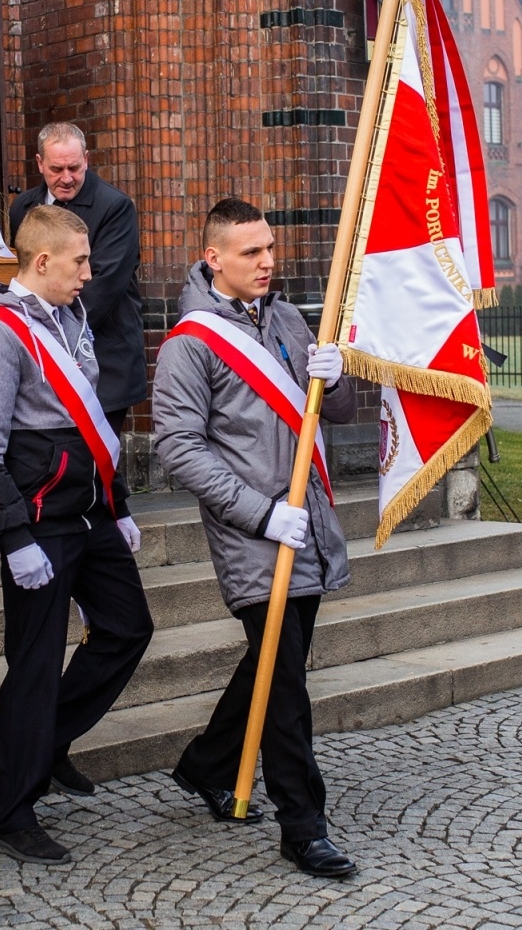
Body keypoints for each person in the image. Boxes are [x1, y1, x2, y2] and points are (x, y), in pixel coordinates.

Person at [150, 196, 360, 879]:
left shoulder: (293, 320)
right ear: (214, 259)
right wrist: (262, 514)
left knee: (272, 665)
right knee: (288, 684)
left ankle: (206, 763)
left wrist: (339, 376)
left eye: (270, 248)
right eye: (251, 252)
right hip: (252, 532)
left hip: (308, 522)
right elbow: (178, 449)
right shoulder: (189, 343)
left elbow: (339, 412)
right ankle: (304, 825)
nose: (269, 261)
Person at [0, 203, 154, 865]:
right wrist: (14, 538)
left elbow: (94, 423)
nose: (89, 275)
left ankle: (49, 741)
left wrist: (119, 502)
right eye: (79, 262)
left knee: (128, 628)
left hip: (90, 510)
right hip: (38, 520)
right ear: (42, 262)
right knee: (34, 669)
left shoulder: (69, 316)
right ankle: (10, 812)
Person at [6, 123, 145, 435]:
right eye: (56, 169)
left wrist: (43, 333)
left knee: (97, 461)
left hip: (103, 355)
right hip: (41, 355)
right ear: (40, 163)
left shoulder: (114, 207)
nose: (66, 178)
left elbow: (102, 287)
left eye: (74, 167)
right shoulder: (23, 209)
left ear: (87, 159)